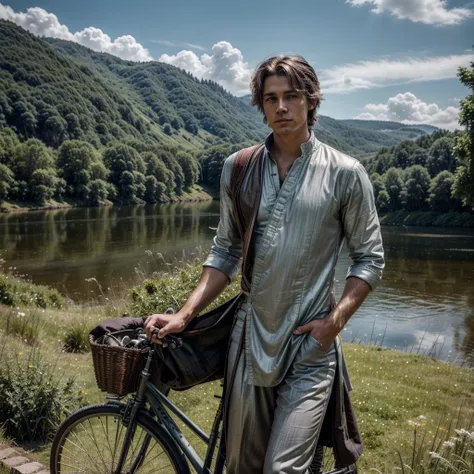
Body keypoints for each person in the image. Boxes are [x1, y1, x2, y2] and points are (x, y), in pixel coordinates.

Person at [145, 55, 385, 474]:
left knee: (282, 469)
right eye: (271, 98)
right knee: (241, 465)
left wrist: (334, 323)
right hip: (249, 341)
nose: (281, 108)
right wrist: (184, 314)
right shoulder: (238, 168)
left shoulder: (346, 173)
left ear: (312, 100)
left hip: (310, 345)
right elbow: (224, 251)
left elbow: (369, 258)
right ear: (261, 105)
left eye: (292, 96)